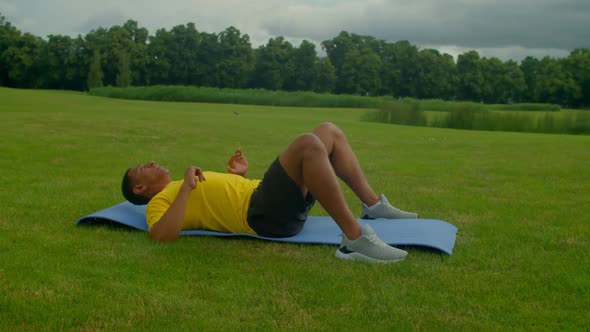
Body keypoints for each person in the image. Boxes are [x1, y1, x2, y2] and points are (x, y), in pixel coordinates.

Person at [122, 122, 418, 263]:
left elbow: (220, 202)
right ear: (140, 188)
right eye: (142, 167)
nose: (150, 162)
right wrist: (186, 186)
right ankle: (355, 239)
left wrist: (239, 176)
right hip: (263, 215)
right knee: (307, 143)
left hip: (263, 199)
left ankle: (373, 205)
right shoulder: (160, 201)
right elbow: (162, 235)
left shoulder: (180, 186)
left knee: (327, 132)